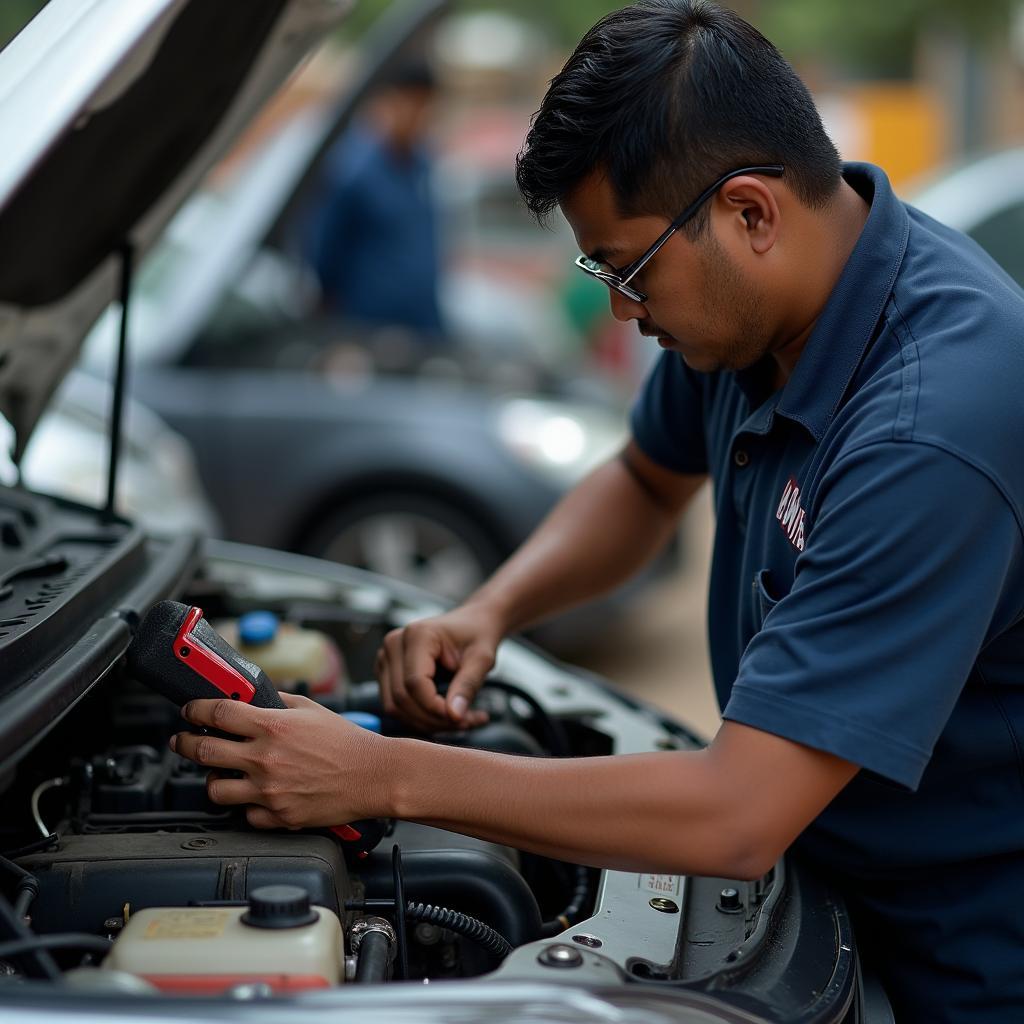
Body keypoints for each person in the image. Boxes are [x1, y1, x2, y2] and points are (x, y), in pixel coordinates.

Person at [171, 3, 1024, 1019]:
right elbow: (644, 480)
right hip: (819, 889)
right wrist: (489, 609)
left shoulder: (930, 427)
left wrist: (384, 776)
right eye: (599, 271)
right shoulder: (765, 310)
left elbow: (736, 811)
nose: (621, 308)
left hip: (959, 958)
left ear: (750, 213)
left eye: (628, 268)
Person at [305, 58, 444, 337]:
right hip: (366, 327)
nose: (418, 115)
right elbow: (324, 252)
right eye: (411, 103)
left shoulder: (423, 166)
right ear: (389, 102)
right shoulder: (351, 172)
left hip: (422, 326)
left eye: (425, 105)